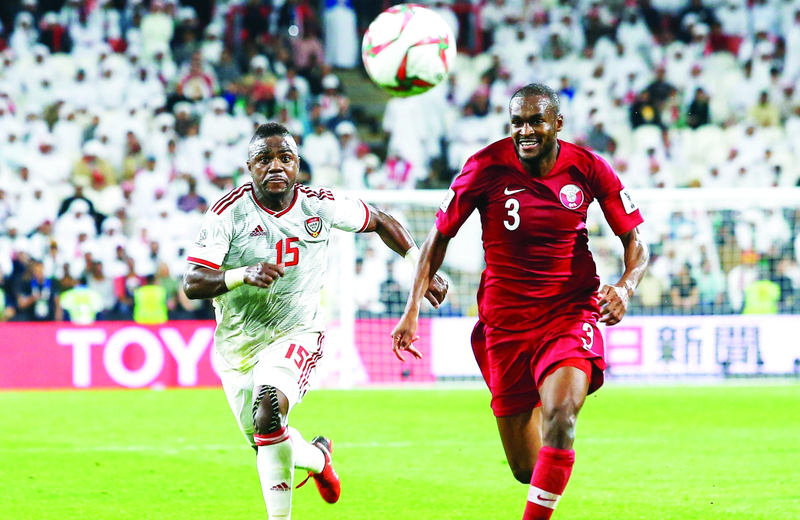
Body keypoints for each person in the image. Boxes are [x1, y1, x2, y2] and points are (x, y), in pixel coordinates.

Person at [391, 84, 649, 520]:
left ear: (557, 124)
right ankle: (547, 451)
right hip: (506, 325)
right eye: (517, 122)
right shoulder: (484, 166)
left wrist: (625, 287)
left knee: (561, 416)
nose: (525, 131)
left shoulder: (588, 167)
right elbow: (439, 236)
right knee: (527, 468)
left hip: (569, 313)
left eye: (535, 121)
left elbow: (636, 242)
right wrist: (411, 309)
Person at [182, 122, 447, 520]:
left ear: (297, 164)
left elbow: (380, 220)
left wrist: (419, 267)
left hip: (298, 331)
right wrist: (242, 274)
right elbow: (192, 282)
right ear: (249, 167)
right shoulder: (228, 213)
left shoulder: (318, 204)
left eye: (285, 158)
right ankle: (319, 458)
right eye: (264, 159)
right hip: (238, 345)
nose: (275, 166)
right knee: (268, 439)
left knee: (268, 411)